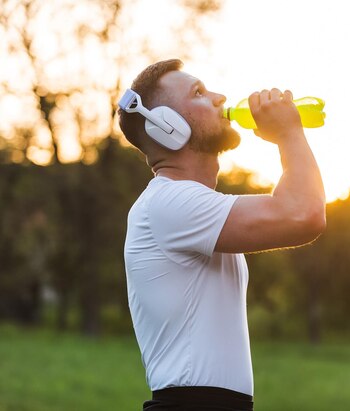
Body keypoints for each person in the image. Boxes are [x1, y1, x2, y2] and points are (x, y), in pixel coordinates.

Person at [117, 59, 326, 411]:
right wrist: (289, 134)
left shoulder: (190, 207)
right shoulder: (170, 203)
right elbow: (302, 214)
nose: (219, 98)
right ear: (167, 126)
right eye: (198, 92)